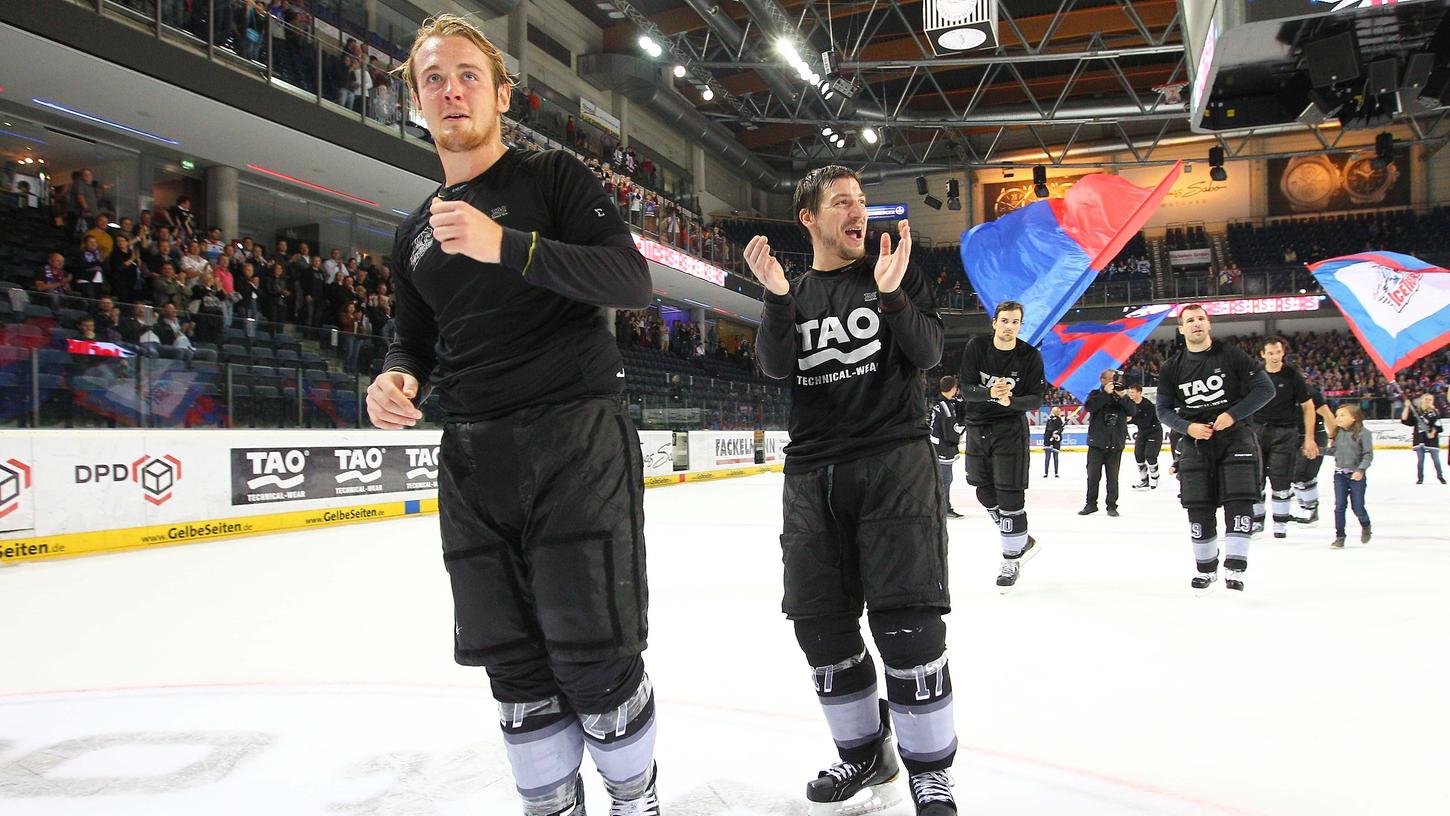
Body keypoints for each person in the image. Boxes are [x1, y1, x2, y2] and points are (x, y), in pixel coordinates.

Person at [368, 15, 656, 816]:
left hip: (574, 437)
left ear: (500, 93)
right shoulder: (413, 233)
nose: (450, 89)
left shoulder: (554, 179)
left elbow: (631, 281)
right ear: (416, 104)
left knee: (594, 657)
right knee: (515, 670)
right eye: (433, 78)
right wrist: (394, 377)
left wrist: (509, 245)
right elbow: (412, 337)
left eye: (467, 75)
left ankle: (635, 800)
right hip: (471, 456)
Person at [748, 165, 957, 816]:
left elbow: (927, 354)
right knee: (820, 628)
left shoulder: (894, 270)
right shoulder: (796, 292)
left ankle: (930, 772)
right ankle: (865, 754)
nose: (859, 210)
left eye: (862, 200)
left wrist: (894, 298)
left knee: (908, 627)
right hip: (812, 474)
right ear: (810, 218)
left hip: (892, 461)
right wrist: (779, 299)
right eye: (843, 202)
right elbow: (774, 365)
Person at [1154, 305, 1274, 592]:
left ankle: (1235, 568)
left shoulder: (1231, 354)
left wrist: (1233, 414)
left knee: (1239, 501)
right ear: (1181, 329)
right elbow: (1163, 411)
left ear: (1209, 325)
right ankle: (1206, 569)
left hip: (1235, 439)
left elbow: (1265, 389)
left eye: (1200, 319)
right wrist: (1187, 427)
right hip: (1195, 443)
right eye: (1189, 321)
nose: (1196, 324)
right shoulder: (1171, 367)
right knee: (1198, 506)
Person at [959, 301, 1045, 593]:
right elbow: (967, 388)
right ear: (994, 322)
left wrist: (1011, 402)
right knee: (982, 489)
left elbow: (1036, 398)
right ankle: (1022, 540)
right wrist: (988, 393)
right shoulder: (977, 347)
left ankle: (1011, 559)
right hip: (977, 426)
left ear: (1021, 326)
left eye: (1015, 322)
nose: (1009, 326)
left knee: (1010, 496)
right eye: (1005, 320)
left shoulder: (1029, 355)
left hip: (1010, 429)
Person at [1250, 337, 1317, 539]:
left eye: (1278, 352)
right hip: (1258, 432)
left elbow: (1309, 407)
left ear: (1283, 353)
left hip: (1285, 433)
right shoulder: (1255, 375)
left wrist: (1309, 438)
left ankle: (1280, 524)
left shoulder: (1292, 376)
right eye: (1270, 353)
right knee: (1256, 480)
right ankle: (1256, 523)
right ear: (1263, 354)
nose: (1275, 356)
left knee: (1281, 479)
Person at [1081, 369, 1131, 517]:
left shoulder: (1122, 395)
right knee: (1093, 476)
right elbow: (1090, 407)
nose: (1114, 381)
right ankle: (1091, 504)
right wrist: (1105, 394)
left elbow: (1133, 411)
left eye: (1115, 378)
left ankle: (1112, 505)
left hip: (1116, 443)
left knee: (1113, 477)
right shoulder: (1096, 394)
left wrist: (1123, 397)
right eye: (1110, 378)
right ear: (1102, 380)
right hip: (1097, 443)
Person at [1328, 404, 1374, 548]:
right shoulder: (1337, 432)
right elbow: (1334, 451)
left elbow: (1368, 455)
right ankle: (1340, 537)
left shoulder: (1364, 433)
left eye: (1342, 415)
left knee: (1358, 507)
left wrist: (1360, 470)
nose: (1338, 418)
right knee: (1339, 507)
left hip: (1356, 476)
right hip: (1340, 475)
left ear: (1354, 418)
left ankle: (1365, 525)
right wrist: (1318, 450)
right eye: (1337, 415)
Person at [1291, 386, 1335, 524]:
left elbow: (1328, 415)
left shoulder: (1309, 393)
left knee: (1304, 474)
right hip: (1293, 436)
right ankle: (1305, 507)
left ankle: (1311, 509)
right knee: (1294, 474)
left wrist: (1335, 439)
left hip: (1314, 436)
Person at [930, 375, 965, 519]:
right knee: (945, 479)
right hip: (942, 448)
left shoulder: (942, 403)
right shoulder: (945, 407)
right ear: (954, 388)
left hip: (937, 446)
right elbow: (950, 430)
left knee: (942, 478)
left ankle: (939, 507)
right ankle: (944, 508)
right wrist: (956, 440)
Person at [1402, 393, 1445, 484]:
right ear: (1422, 400)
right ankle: (1420, 478)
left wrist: (1433, 433)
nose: (1428, 401)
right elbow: (1405, 419)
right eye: (1426, 399)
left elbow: (1438, 425)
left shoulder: (1434, 412)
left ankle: (1440, 476)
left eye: (1430, 400)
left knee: (1436, 459)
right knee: (1420, 460)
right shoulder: (1416, 412)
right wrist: (1406, 407)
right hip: (1420, 438)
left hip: (1431, 440)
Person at [1127, 383, 1162, 490]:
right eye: (1129, 392)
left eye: (1132, 392)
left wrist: (1131, 420)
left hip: (1154, 431)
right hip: (1142, 432)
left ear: (1139, 393)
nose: (1130, 394)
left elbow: (1145, 422)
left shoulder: (1148, 405)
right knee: (1138, 456)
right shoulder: (1131, 404)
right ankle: (1144, 481)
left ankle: (1154, 477)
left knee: (1150, 455)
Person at [1042, 407, 1064, 478]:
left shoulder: (1051, 419)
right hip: (1052, 440)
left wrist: (1056, 432)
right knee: (1053, 457)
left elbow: (1059, 429)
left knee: (1050, 457)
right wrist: (1055, 433)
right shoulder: (1054, 419)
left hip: (1050, 439)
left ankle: (1048, 473)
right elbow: (1051, 429)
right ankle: (1054, 473)